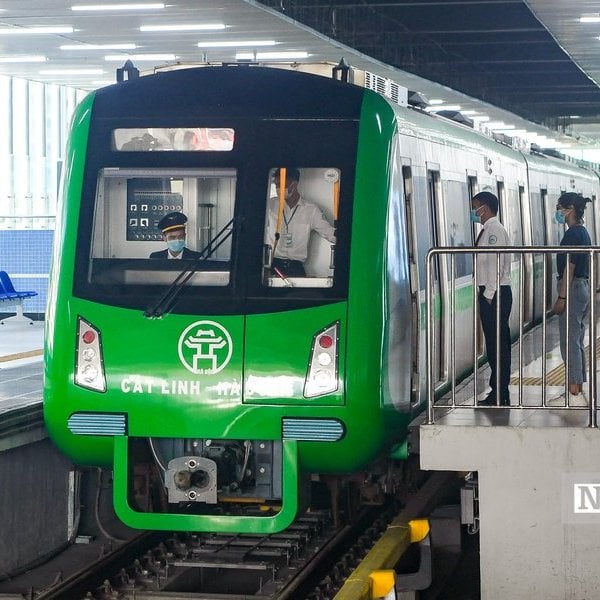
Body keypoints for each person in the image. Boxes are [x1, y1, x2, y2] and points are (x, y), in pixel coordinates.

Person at [471, 191, 513, 406]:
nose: (474, 212)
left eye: (475, 207)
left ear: (484, 208)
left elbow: (497, 263)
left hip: (495, 294)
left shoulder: (494, 230)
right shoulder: (489, 230)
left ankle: (500, 393)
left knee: (498, 346)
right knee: (495, 344)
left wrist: (488, 294)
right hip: (494, 293)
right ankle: (497, 390)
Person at [551, 192, 592, 404]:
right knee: (576, 340)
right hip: (582, 287)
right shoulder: (583, 233)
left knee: (569, 341)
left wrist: (562, 297)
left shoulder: (573, 235)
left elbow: (570, 266)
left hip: (573, 289)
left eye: (559, 208)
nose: (557, 212)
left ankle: (574, 389)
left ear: (569, 210)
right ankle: (577, 384)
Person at [266, 167, 336, 277]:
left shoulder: (311, 210)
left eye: (281, 185)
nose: (278, 188)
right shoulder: (269, 205)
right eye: (276, 185)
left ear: (293, 185)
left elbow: (330, 234)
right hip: (272, 266)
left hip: (295, 268)